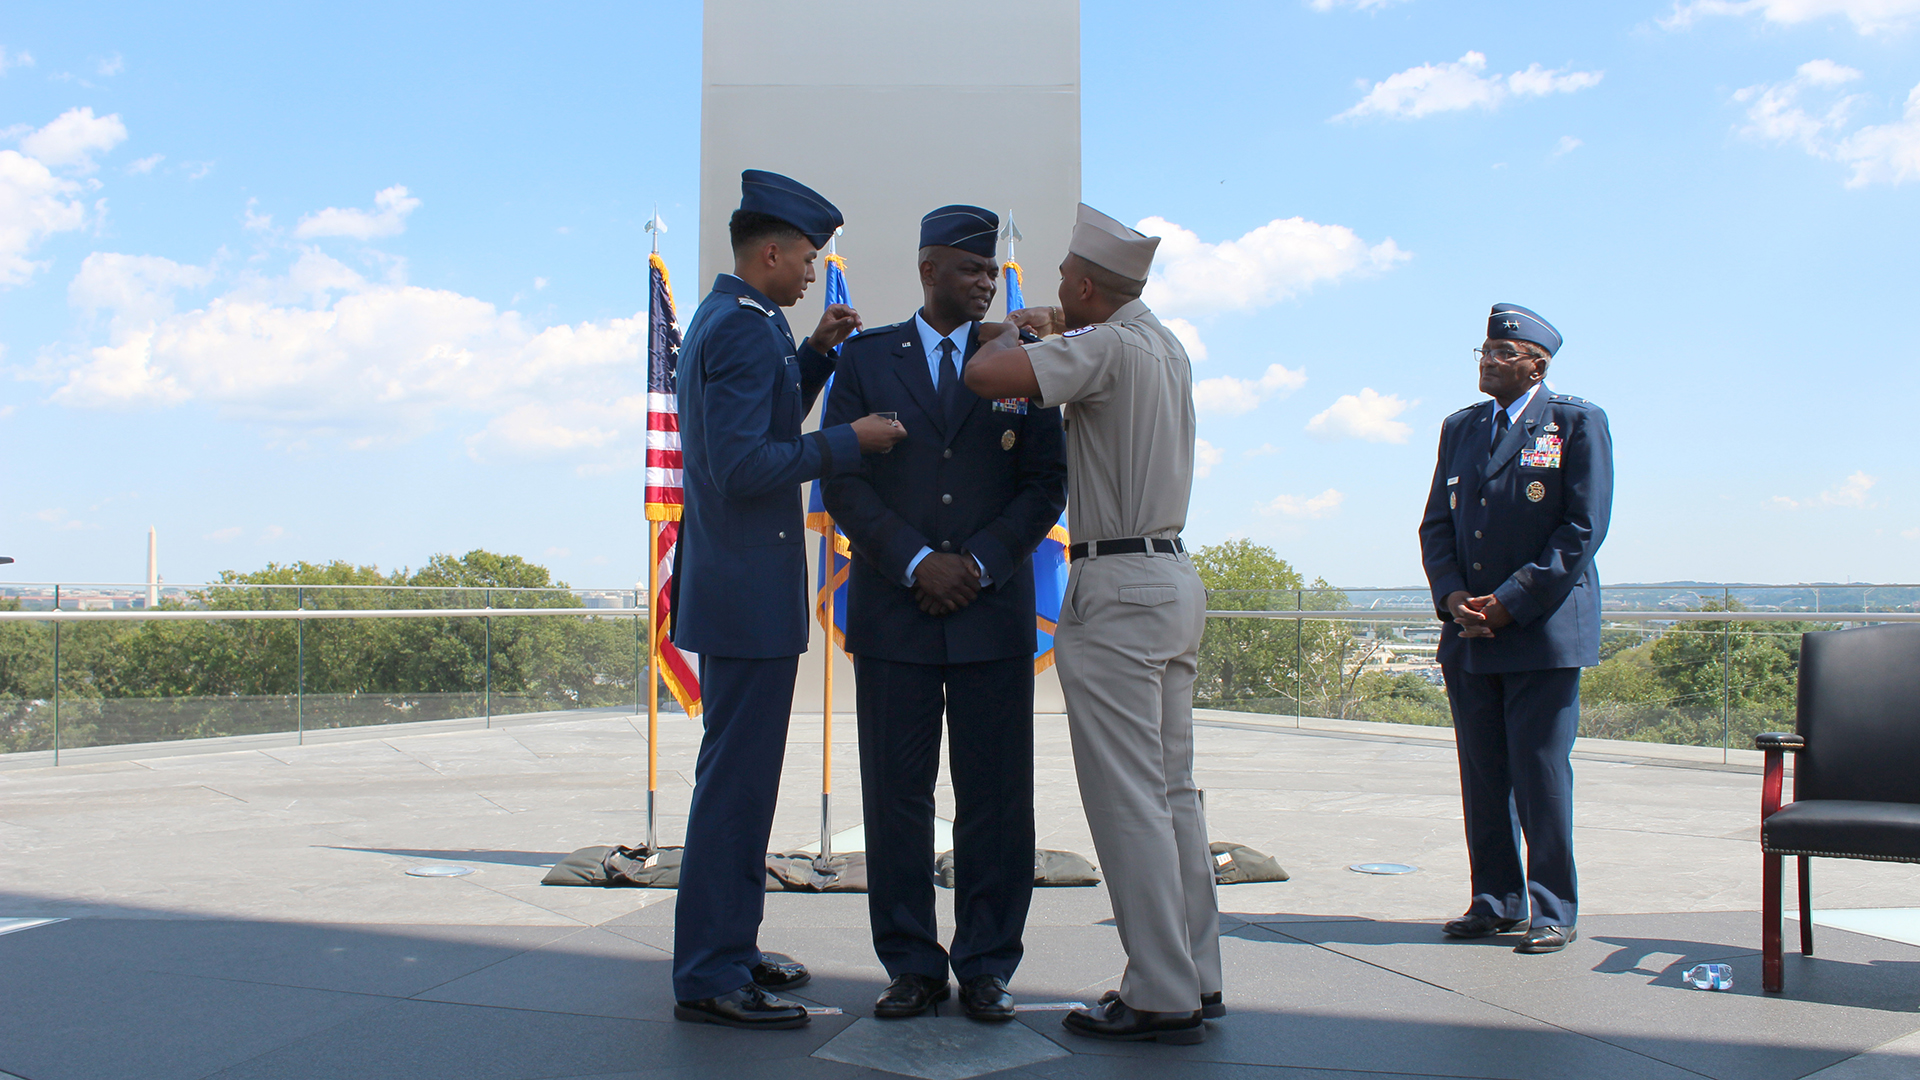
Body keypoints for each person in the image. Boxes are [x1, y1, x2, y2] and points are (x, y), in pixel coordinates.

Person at [963, 204, 1217, 1045]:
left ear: (1082, 285)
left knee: (1128, 800)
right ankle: (1195, 974)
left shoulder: (1103, 345)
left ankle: (1158, 992)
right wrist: (1045, 328)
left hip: (1117, 585)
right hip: (1173, 575)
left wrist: (1019, 334)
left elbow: (985, 377)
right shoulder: (1161, 343)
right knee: (1175, 792)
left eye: (1066, 285)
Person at [669, 169, 906, 1029]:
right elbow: (741, 468)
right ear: (770, 252)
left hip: (742, 588)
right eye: (807, 258)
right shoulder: (737, 331)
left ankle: (730, 945)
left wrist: (811, 357)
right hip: (744, 593)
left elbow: (763, 425)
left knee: (743, 783)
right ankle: (708, 972)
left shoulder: (748, 322)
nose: (814, 273)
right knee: (734, 788)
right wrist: (848, 442)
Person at [822, 205, 1068, 1022]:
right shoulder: (865, 360)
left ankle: (989, 965)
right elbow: (844, 479)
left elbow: (1045, 482)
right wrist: (920, 561)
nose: (986, 282)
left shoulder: (1022, 365)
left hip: (991, 613)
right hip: (898, 611)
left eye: (991, 270)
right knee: (897, 798)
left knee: (996, 799)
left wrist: (984, 561)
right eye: (971, 269)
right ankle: (912, 965)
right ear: (929, 270)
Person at [1416, 303, 1613, 956]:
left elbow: (1580, 531)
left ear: (1537, 363)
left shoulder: (1575, 423)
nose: (1489, 362)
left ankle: (1553, 908)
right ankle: (1496, 901)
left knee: (1540, 775)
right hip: (1469, 634)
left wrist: (1509, 601)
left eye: (1504, 353)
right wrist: (1453, 599)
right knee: (1483, 775)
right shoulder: (1461, 429)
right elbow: (1437, 527)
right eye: (1484, 351)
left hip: (1540, 633)